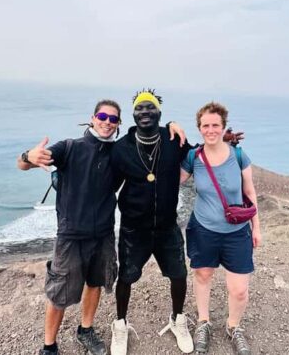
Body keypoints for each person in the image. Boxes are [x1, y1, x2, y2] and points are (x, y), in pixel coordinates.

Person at [18, 100, 123, 355]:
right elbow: (24, 164)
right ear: (93, 118)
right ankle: (49, 346)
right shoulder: (70, 147)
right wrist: (28, 157)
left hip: (104, 234)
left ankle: (85, 330)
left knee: (95, 283)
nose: (107, 122)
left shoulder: (119, 153)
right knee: (59, 293)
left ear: (118, 123)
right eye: (102, 116)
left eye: (113, 119)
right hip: (71, 235)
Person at [109, 89, 195, 355]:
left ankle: (178, 319)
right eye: (139, 108)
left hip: (167, 226)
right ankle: (120, 325)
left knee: (179, 275)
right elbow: (108, 184)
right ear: (133, 114)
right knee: (126, 277)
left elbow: (200, 156)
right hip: (134, 228)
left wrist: (227, 144)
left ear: (159, 112)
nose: (144, 112)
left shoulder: (173, 140)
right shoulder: (121, 148)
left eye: (150, 107)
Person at [180, 102, 261, 355]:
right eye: (205, 125)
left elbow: (250, 193)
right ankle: (203, 321)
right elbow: (172, 179)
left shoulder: (238, 155)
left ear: (224, 127)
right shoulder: (194, 157)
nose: (211, 130)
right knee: (203, 276)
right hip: (203, 229)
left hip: (237, 232)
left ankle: (233, 326)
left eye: (215, 125)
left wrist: (256, 228)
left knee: (239, 290)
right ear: (199, 128)